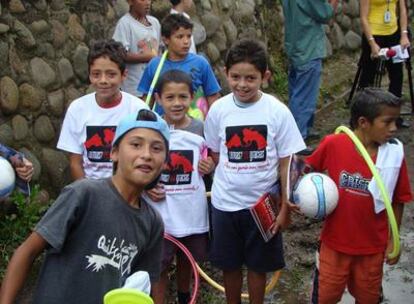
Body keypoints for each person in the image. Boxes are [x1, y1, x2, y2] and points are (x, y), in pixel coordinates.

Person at [0, 109, 169, 304]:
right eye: (136, 144)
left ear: (165, 162)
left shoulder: (153, 222)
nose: (146, 155)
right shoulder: (84, 194)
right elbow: (27, 252)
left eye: (156, 148)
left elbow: (148, 284)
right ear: (114, 152)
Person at [204, 39, 306, 304]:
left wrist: (284, 205)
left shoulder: (277, 111)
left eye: (251, 78)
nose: (242, 84)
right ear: (226, 74)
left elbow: (287, 161)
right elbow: (215, 153)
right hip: (225, 204)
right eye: (235, 77)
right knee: (229, 265)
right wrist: (208, 165)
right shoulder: (218, 110)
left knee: (259, 266)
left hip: (262, 206)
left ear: (265, 76)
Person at [307, 88, 412, 303]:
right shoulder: (334, 144)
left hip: (372, 248)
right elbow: (306, 170)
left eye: (397, 122)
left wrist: (393, 239)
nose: (394, 129)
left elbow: (398, 200)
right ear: (364, 122)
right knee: (325, 297)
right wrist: (300, 197)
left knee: (368, 297)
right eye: (387, 122)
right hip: (334, 245)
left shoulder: (394, 154)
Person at [144, 70, 214, 304]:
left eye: (183, 97)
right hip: (160, 213)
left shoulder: (200, 128)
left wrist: (209, 164)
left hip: (191, 210)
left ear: (191, 97)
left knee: (187, 259)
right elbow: (139, 165)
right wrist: (146, 187)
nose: (177, 103)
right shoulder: (150, 129)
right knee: (159, 264)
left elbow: (211, 158)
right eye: (170, 97)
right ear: (158, 98)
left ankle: (185, 297)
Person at [57, 39, 149, 180]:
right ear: (89, 75)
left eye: (111, 74)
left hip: (129, 190)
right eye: (96, 74)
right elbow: (75, 163)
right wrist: (87, 195)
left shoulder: (138, 109)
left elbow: (145, 157)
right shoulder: (77, 109)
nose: (103, 80)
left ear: (124, 75)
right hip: (91, 190)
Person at [138, 13, 221, 113]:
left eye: (189, 36)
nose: (186, 41)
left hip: (192, 126)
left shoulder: (201, 63)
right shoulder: (154, 65)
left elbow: (212, 96)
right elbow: (147, 100)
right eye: (180, 37)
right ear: (166, 40)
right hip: (163, 125)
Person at [281, 0, 338, 141]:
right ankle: (298, 136)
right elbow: (325, 14)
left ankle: (304, 128)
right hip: (308, 48)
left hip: (295, 46)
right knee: (304, 96)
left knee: (297, 92)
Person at [358, 0, 410, 128]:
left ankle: (393, 117)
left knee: (397, 76)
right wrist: (372, 43)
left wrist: (404, 34)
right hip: (374, 34)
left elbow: (402, 9)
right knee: (368, 78)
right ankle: (363, 116)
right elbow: (363, 17)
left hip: (393, 33)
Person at [112, 0, 161, 97]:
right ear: (130, 2)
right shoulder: (125, 23)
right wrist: (147, 57)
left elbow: (159, 49)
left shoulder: (154, 23)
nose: (147, 3)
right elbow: (119, 54)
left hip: (154, 83)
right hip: (134, 87)